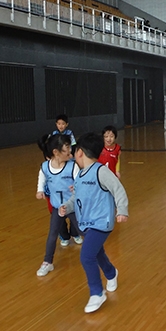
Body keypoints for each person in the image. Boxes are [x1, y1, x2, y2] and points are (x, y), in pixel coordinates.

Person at [59, 133, 128, 314]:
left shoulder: (101, 171)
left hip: (101, 222)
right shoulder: (81, 175)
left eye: (74, 153)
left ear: (80, 152)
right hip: (86, 223)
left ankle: (97, 292)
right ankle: (111, 273)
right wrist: (67, 206)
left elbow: (118, 189)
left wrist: (122, 210)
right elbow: (77, 197)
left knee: (86, 256)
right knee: (97, 253)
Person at [35, 134, 83, 277]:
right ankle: (47, 262)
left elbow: (80, 181)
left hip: (72, 207)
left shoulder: (72, 166)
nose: (70, 153)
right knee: (52, 235)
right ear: (56, 152)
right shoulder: (45, 167)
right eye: (67, 150)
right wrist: (40, 190)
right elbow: (41, 178)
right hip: (57, 207)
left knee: (84, 231)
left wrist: (77, 188)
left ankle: (98, 256)